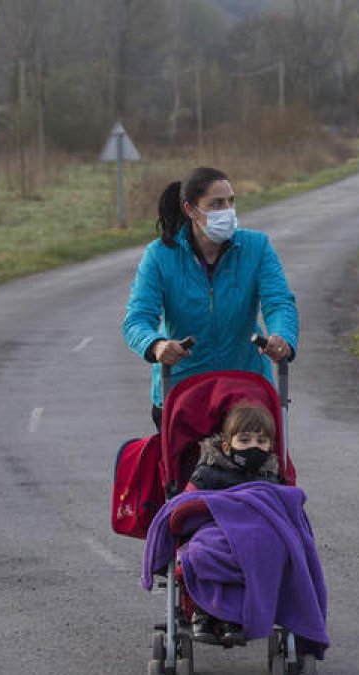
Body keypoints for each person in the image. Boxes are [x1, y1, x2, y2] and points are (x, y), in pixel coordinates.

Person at [123, 167, 299, 428]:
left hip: (246, 390)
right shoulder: (160, 255)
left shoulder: (256, 246)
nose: (227, 210)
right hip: (183, 391)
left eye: (231, 201)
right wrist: (156, 345)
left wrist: (282, 336)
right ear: (191, 209)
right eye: (216, 204)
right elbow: (137, 319)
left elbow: (279, 302)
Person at [185, 404, 284, 645]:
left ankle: (234, 615)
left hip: (251, 535)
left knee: (260, 551)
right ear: (227, 446)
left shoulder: (270, 476)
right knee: (202, 551)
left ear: (270, 446)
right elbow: (186, 505)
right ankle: (205, 611)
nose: (254, 447)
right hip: (213, 530)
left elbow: (280, 510)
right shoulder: (209, 473)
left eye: (261, 442)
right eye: (245, 440)